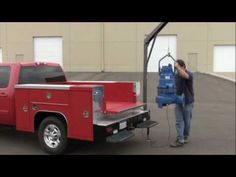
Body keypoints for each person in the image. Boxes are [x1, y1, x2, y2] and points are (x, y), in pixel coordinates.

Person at [170, 59, 194, 147]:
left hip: (188, 102)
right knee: (178, 121)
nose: (176, 70)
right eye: (175, 68)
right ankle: (180, 139)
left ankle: (185, 136)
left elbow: (185, 76)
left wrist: (178, 67)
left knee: (187, 121)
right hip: (178, 101)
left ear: (183, 67)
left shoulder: (189, 74)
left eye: (178, 67)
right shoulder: (176, 75)